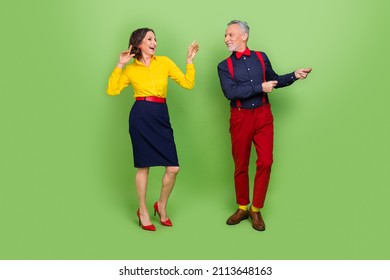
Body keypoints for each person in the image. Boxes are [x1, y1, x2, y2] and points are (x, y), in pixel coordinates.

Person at [217, 20, 311, 231]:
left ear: (244, 36)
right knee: (241, 165)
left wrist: (294, 76)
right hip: (240, 117)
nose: (226, 39)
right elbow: (230, 93)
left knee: (266, 162)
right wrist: (260, 86)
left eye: (230, 35)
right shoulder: (224, 66)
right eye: (225, 36)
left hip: (263, 115)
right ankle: (242, 207)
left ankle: (256, 209)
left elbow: (274, 80)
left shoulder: (261, 57)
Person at [106, 28, 199, 231]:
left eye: (155, 39)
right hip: (140, 115)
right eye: (149, 39)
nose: (154, 42)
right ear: (139, 43)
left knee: (173, 167)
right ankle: (143, 210)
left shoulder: (164, 62)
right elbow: (112, 90)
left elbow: (188, 83)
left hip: (160, 114)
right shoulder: (130, 69)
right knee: (143, 166)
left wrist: (190, 60)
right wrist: (120, 65)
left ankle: (161, 205)